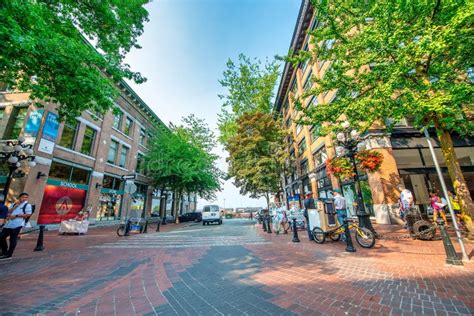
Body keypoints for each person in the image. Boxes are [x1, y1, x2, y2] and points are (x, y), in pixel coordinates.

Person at [0, 193, 32, 260]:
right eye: (23, 197)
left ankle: (9, 254)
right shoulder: (14, 204)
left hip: (18, 224)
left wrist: (16, 216)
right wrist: (14, 207)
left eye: (26, 197)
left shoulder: (27, 205)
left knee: (13, 239)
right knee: (1, 236)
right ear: (19, 197)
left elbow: (29, 214)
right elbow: (9, 212)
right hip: (9, 223)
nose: (24, 199)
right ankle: (4, 251)